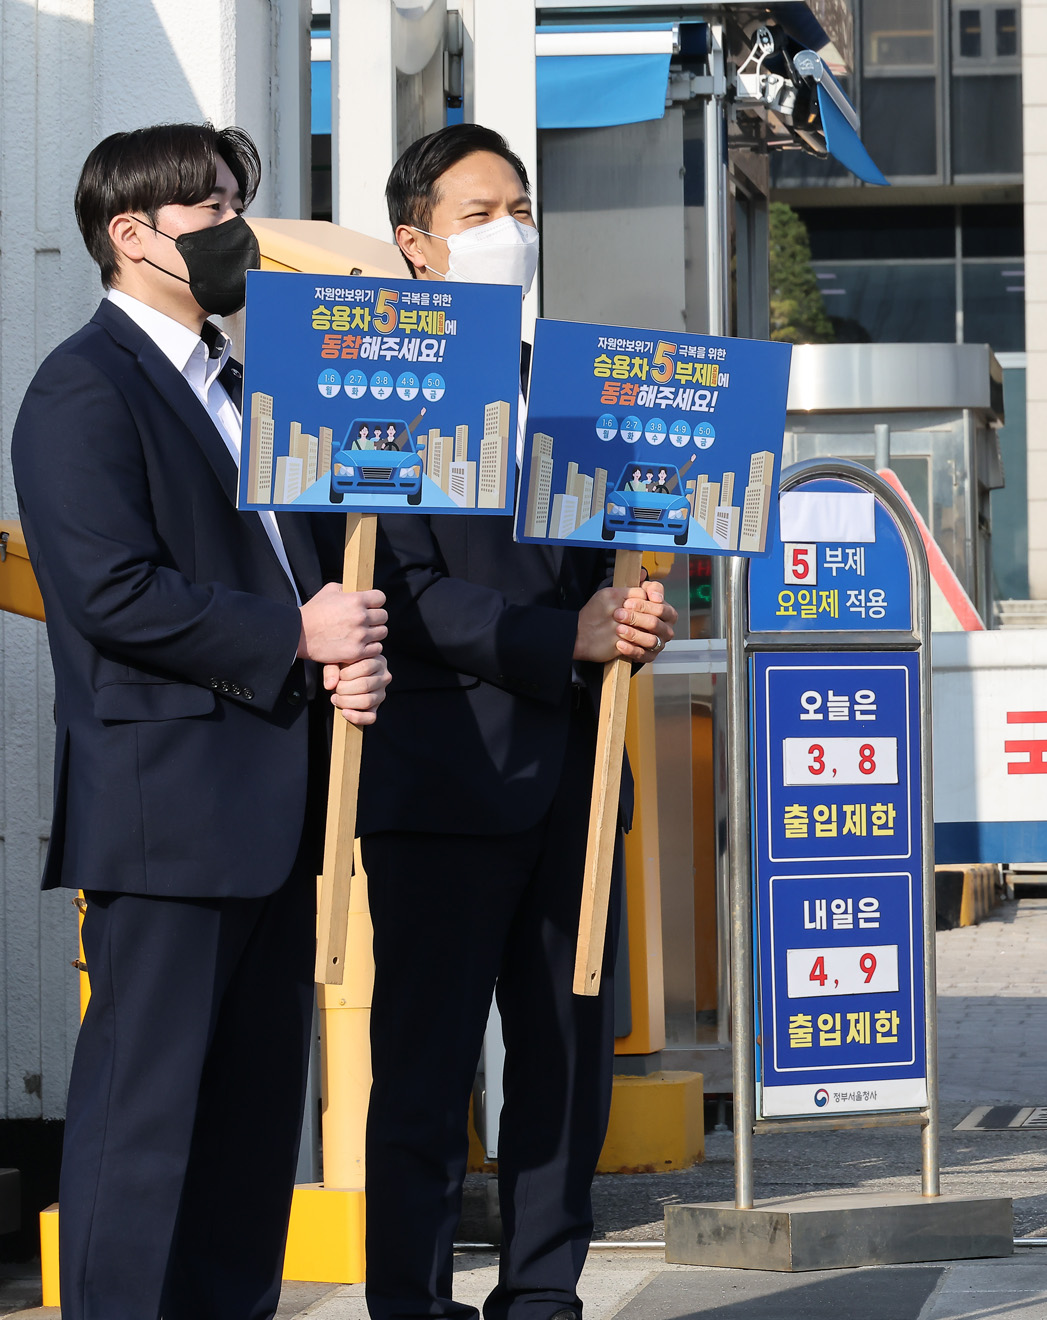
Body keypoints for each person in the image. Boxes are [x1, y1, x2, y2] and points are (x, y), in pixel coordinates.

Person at [11, 123, 391, 1319]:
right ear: (132, 236)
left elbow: (310, 574)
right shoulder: (83, 388)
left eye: (240, 201)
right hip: (168, 816)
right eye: (214, 208)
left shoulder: (247, 383)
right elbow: (111, 591)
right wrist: (293, 638)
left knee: (245, 1131)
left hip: (275, 809)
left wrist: (344, 652)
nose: (239, 229)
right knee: (145, 1125)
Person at [357, 122, 672, 1320]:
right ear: (417, 245)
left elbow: (619, 567)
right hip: (439, 783)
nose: (511, 232)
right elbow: (400, 591)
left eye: (521, 208)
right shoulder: (380, 390)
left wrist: (636, 614)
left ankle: (542, 1296)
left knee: (566, 1067)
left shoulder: (582, 387)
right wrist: (564, 639)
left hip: (581, 786)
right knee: (427, 1079)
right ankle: (413, 1304)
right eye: (480, 214)